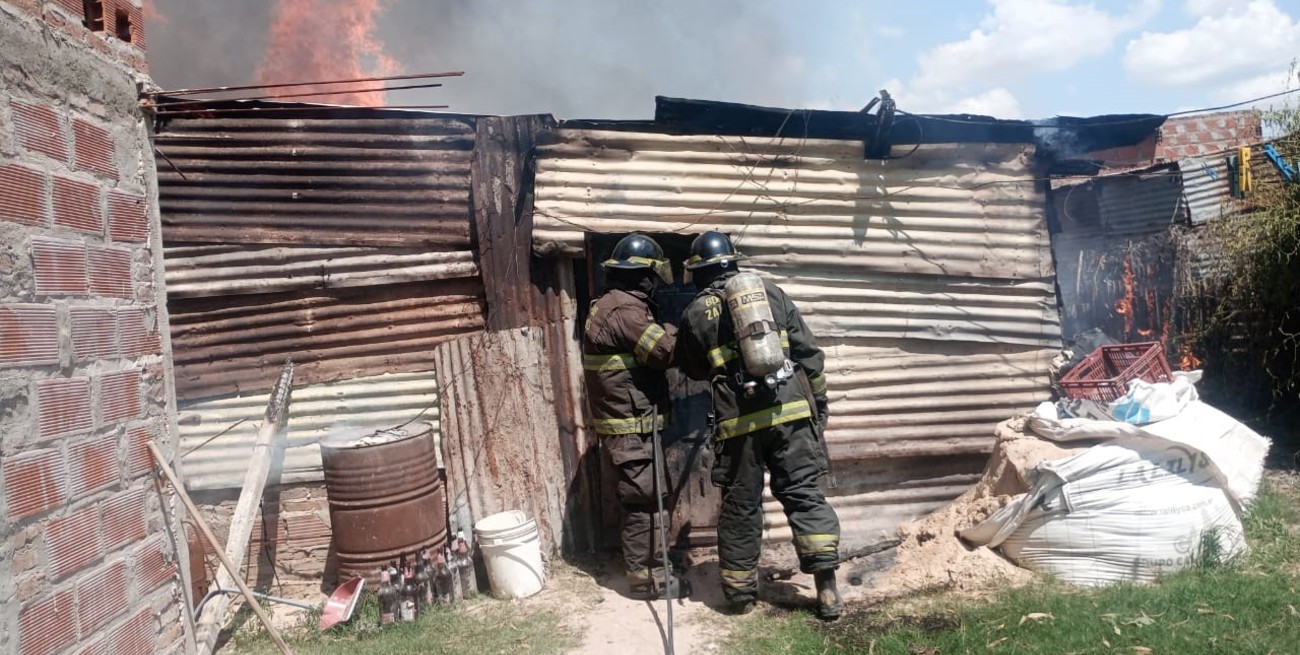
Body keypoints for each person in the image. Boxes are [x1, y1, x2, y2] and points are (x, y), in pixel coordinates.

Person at [674, 231, 842, 620]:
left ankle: (739, 595)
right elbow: (808, 353)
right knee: (803, 493)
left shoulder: (696, 312)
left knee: (740, 506)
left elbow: (692, 367)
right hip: (791, 413)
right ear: (733, 261)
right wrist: (818, 405)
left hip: (739, 425)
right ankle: (827, 589)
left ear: (700, 271)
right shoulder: (772, 292)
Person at [582, 233, 687, 600]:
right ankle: (644, 579)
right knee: (642, 501)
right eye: (652, 276)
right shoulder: (624, 310)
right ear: (643, 276)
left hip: (633, 425)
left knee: (649, 496)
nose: (655, 283)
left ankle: (654, 566)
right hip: (631, 428)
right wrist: (675, 328)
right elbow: (664, 351)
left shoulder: (613, 304)